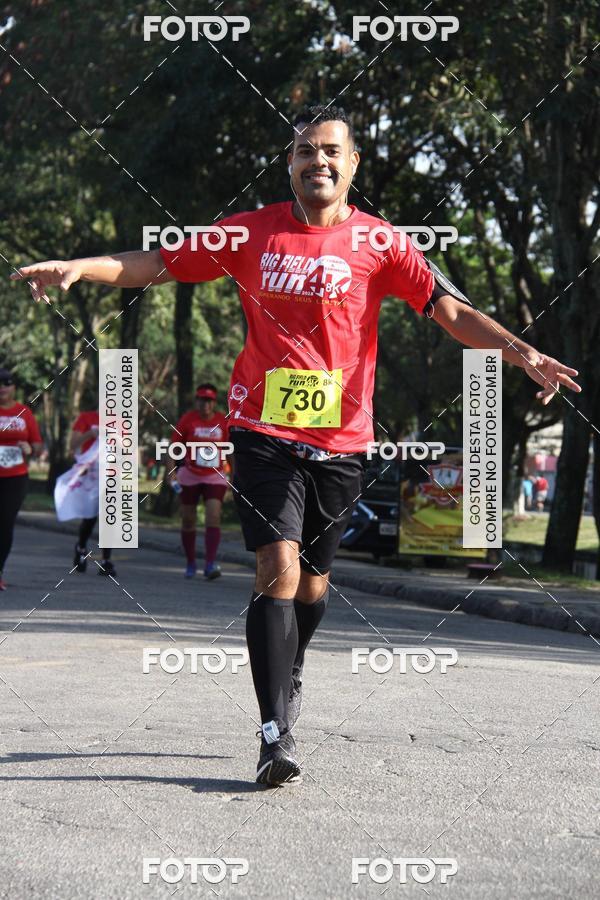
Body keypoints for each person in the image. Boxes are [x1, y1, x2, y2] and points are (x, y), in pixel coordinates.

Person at [11, 105, 581, 786]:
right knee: (277, 570)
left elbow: (450, 310)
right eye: (306, 150)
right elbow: (157, 262)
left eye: (331, 151)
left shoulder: (382, 244)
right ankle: (273, 731)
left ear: (352, 165)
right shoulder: (250, 232)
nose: (319, 161)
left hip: (344, 442)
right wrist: (82, 266)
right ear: (290, 163)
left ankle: (293, 665)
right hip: (261, 433)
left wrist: (521, 352)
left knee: (313, 585)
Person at [170, 383, 229, 580]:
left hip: (215, 475)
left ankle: (210, 564)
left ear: (214, 403)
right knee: (188, 520)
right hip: (190, 475)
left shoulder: (222, 421)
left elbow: (232, 449)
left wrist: (236, 474)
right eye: (202, 400)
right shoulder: (188, 420)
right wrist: (171, 473)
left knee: (213, 516)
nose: (205, 405)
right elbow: (174, 447)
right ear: (197, 401)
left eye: (209, 401)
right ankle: (190, 562)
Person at [0, 367, 43, 590]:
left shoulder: (24, 413)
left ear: (13, 387)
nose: (2, 388)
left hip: (15, 477)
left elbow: (37, 446)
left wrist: (29, 447)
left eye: (6, 384)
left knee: (5, 525)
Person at [70, 409, 116, 577]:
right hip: (91, 474)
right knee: (90, 518)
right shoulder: (86, 417)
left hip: (111, 474)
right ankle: (81, 547)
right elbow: (73, 444)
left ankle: (106, 560)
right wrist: (90, 433)